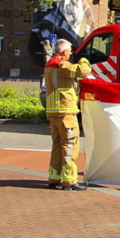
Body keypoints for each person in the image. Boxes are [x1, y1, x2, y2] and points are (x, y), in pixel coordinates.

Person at [44, 39, 92, 190]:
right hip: (65, 110)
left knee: (58, 144)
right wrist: (84, 60)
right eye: (70, 51)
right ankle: (70, 181)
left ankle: (54, 178)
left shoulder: (49, 65)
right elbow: (84, 71)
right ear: (64, 52)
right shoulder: (62, 65)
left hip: (53, 110)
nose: (71, 54)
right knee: (70, 144)